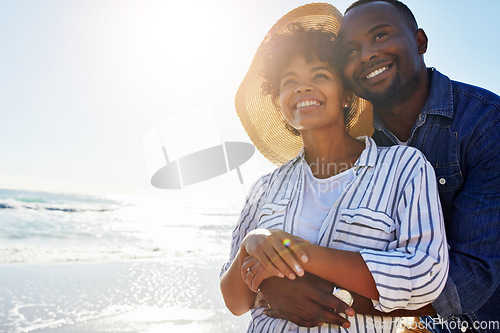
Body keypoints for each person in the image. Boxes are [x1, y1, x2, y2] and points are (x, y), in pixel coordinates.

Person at [258, 1, 500, 332]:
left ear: (420, 42)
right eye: (351, 50)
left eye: (380, 35)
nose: (367, 55)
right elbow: (329, 243)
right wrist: (270, 283)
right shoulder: (357, 146)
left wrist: (321, 294)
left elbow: (471, 278)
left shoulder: (486, 124)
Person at [220, 3, 448, 332]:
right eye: (289, 81)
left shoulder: (404, 167)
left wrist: (296, 253)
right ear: (281, 101)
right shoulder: (264, 189)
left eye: (319, 75)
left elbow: (424, 275)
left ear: (345, 95)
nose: (302, 87)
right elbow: (235, 302)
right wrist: (251, 243)